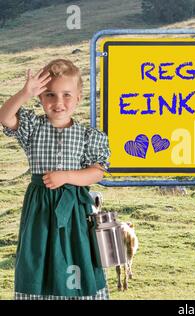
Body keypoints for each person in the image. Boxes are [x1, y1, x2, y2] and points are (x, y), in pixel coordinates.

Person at [0, 59, 111, 300]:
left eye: (66, 95)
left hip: (75, 210)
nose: (58, 102)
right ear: (41, 97)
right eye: (50, 94)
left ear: (79, 97)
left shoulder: (87, 136)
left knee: (78, 251)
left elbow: (97, 171)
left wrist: (67, 176)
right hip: (40, 206)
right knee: (38, 252)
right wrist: (24, 92)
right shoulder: (33, 128)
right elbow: (5, 117)